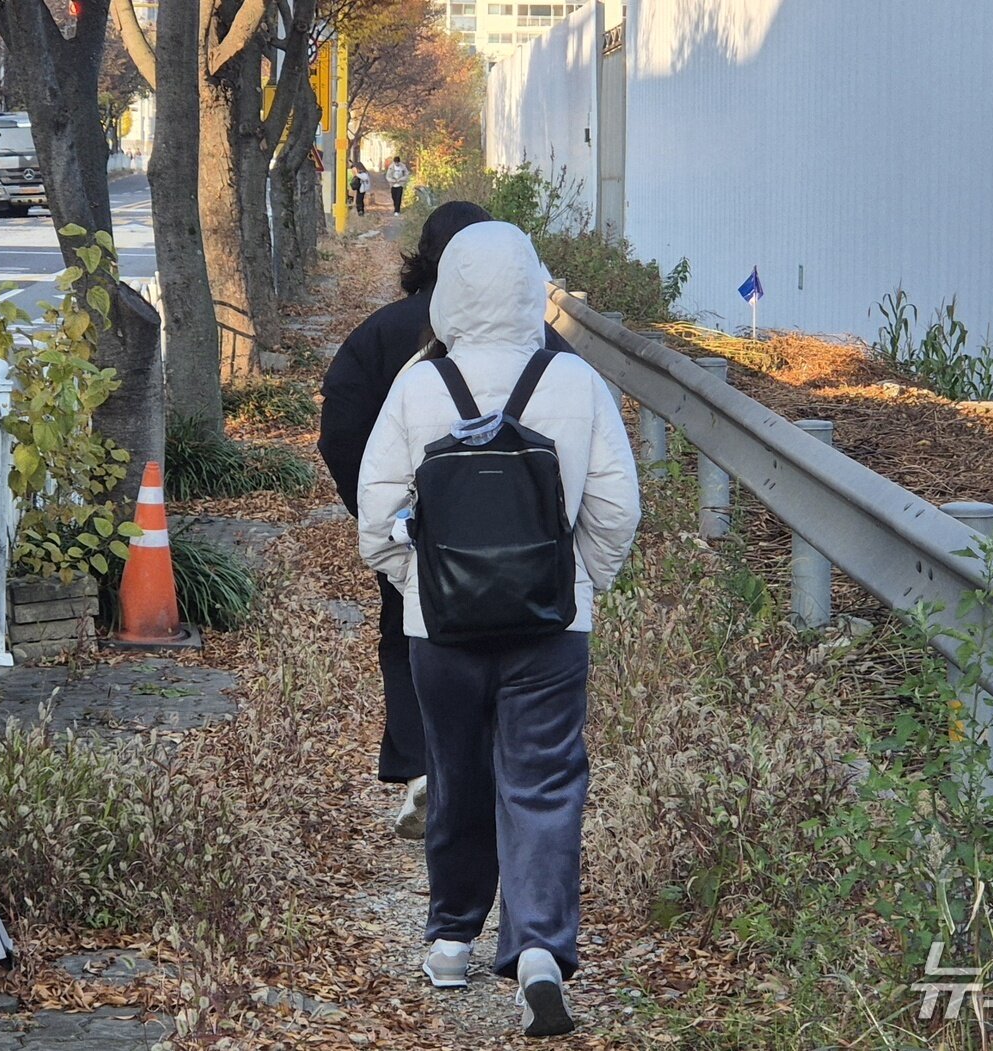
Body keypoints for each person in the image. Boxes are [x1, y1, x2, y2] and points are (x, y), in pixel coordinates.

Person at [356, 222, 640, 1037]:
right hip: (552, 629)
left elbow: (377, 521)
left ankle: (451, 941)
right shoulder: (575, 379)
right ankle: (541, 949)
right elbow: (617, 508)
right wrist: (578, 583)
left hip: (441, 633)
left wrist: (425, 588)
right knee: (543, 780)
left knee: (456, 774)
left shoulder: (418, 384)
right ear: (530, 287)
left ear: (448, 291)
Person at [317, 203, 577, 839]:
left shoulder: (380, 335)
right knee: (519, 653)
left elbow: (339, 431)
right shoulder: (547, 347)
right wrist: (570, 546)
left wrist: (384, 523)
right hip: (533, 549)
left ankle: (422, 769)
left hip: (417, 535)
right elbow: (589, 450)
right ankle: (499, 776)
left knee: (407, 639)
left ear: (425, 258)